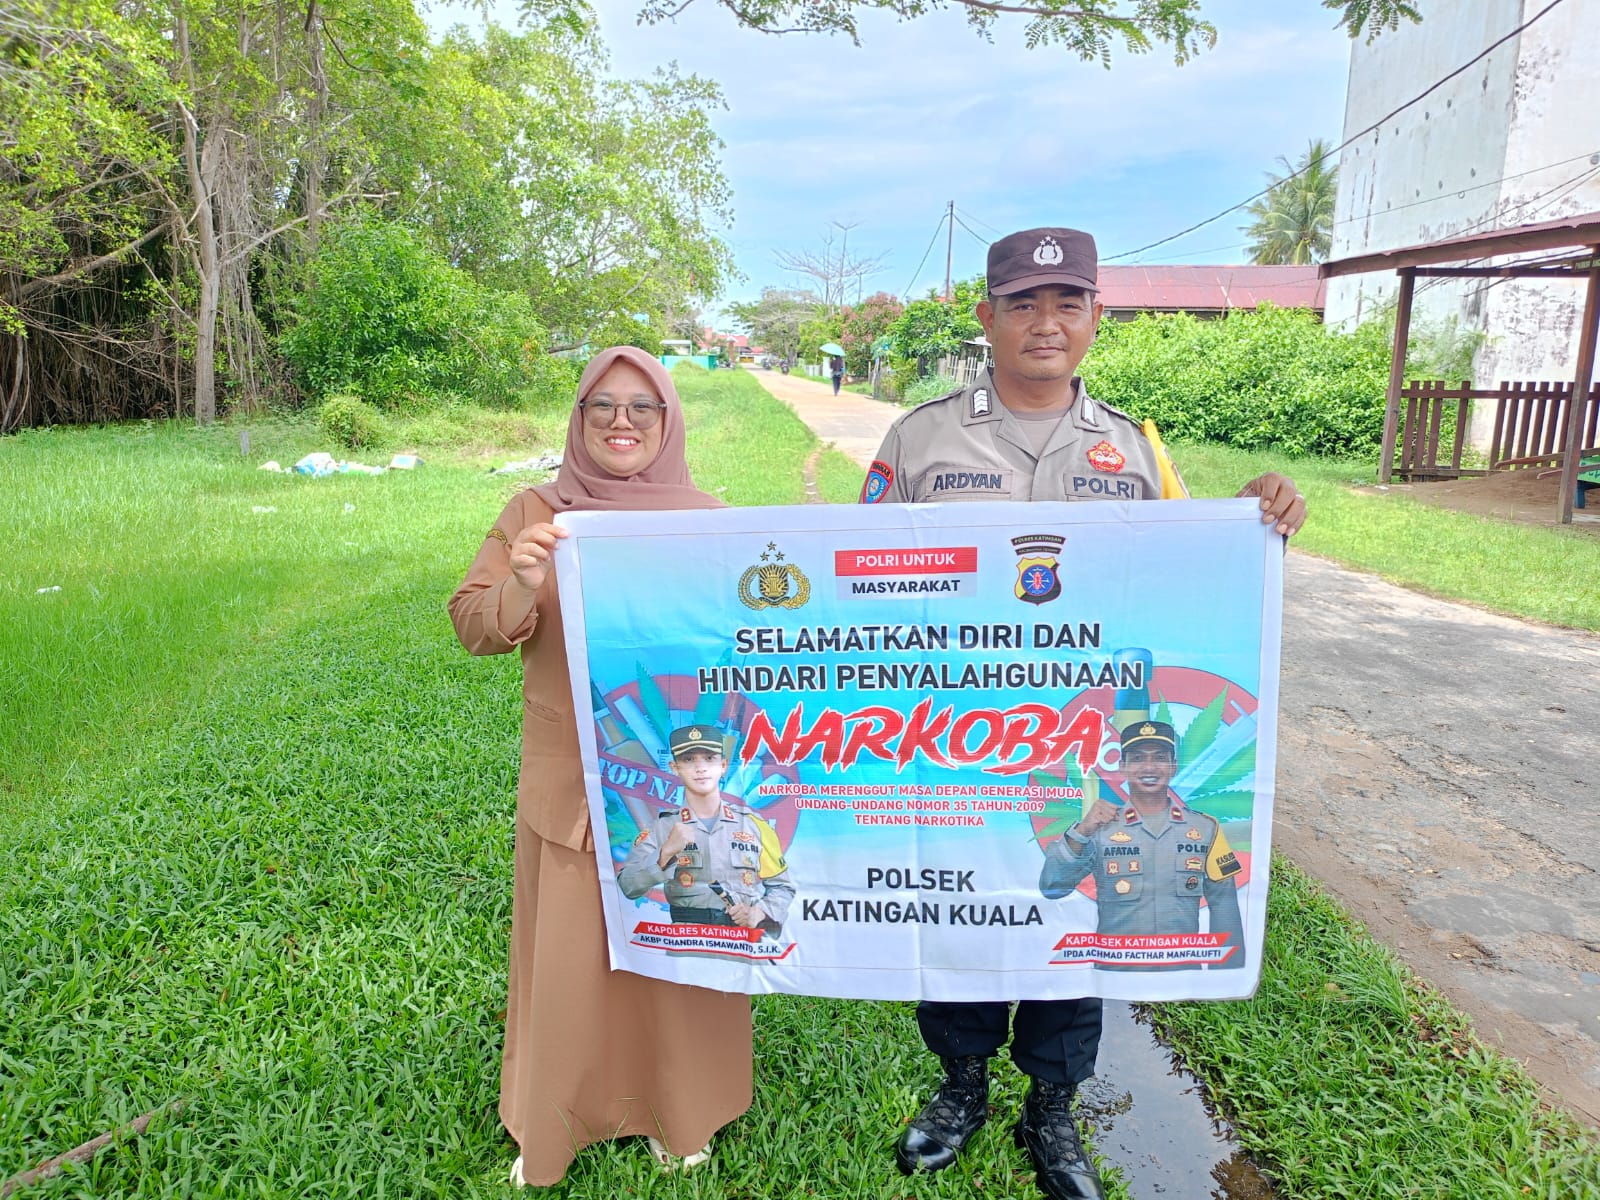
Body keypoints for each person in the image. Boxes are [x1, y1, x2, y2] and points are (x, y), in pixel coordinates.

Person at [866, 227, 1306, 1200]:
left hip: (1082, 743)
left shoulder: (1134, 450)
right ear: (984, 317)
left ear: (1096, 318)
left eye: (1067, 302)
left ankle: (1051, 1108)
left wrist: (1253, 518)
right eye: (1022, 302)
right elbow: (856, 583)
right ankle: (960, 1086)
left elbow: (1189, 570)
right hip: (963, 740)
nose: (1045, 322)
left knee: (1076, 919)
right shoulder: (918, 440)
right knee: (963, 913)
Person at [448, 346, 748, 1187]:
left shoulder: (710, 521)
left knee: (683, 936)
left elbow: (755, 646)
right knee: (576, 954)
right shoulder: (538, 511)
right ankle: (559, 1117)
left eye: (642, 407)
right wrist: (521, 580)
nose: (622, 422)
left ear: (669, 420)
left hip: (682, 779)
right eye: (602, 407)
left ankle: (680, 1111)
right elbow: (473, 625)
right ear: (578, 421)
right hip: (575, 779)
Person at [1039, 720, 1245, 970]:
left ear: (1173, 766)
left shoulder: (1206, 828)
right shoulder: (1099, 827)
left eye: (1159, 757)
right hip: (1116, 975)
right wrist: (1082, 831)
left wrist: (1224, 979)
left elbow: (1224, 906)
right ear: (1122, 766)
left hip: (1181, 975)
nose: (1149, 767)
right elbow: (1052, 888)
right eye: (1137, 758)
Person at [618, 725, 796, 934]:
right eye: (689, 760)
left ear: (723, 766)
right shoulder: (662, 827)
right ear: (674, 767)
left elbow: (782, 887)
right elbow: (628, 885)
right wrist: (665, 853)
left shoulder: (754, 825)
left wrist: (760, 912)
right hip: (686, 949)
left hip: (741, 946)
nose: (700, 768)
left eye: (709, 759)